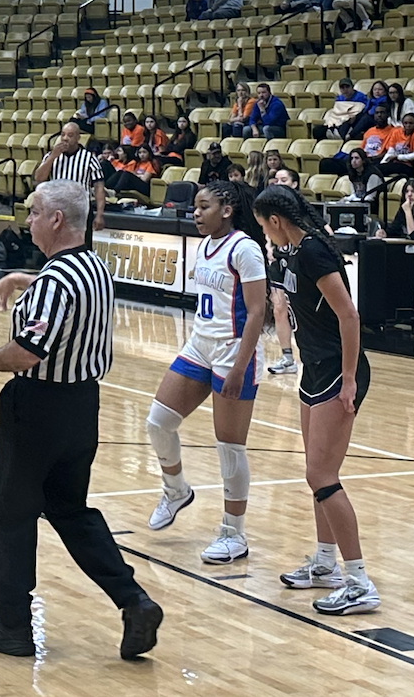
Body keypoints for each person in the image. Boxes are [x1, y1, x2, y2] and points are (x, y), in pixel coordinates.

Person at [0, 182, 162, 661]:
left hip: (38, 408)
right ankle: (133, 599)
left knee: (11, 513)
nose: (27, 220)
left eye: (33, 213)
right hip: (82, 408)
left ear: (55, 219)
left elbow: (29, 351)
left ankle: (12, 625)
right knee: (70, 510)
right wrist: (19, 278)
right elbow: (64, 293)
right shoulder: (94, 268)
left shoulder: (56, 281)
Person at [253, 185, 380, 615]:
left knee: (323, 475)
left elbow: (349, 315)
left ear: (274, 220)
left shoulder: (312, 253)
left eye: (262, 226)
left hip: (338, 370)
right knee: (315, 473)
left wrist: (348, 380)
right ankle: (325, 563)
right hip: (315, 367)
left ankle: (360, 581)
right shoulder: (289, 254)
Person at [143, 181, 268, 564]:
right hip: (200, 345)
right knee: (158, 422)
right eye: (195, 207)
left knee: (229, 447)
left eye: (203, 206)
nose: (195, 213)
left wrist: (240, 366)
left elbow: (257, 312)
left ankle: (234, 534)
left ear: (226, 209)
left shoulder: (245, 248)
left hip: (234, 350)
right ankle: (176, 489)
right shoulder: (205, 245)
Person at [34, 122, 107, 238]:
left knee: (81, 246)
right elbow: (39, 178)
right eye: (63, 135)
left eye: (70, 135)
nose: (65, 138)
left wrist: (99, 214)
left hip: (80, 212)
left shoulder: (89, 158)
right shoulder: (51, 156)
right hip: (56, 209)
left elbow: (99, 188)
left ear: (78, 138)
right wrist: (53, 157)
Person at [264, 168, 302, 376]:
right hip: (279, 262)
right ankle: (287, 358)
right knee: (278, 308)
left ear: (295, 184)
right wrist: (269, 246)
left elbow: (325, 231)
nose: (279, 182)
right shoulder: (270, 207)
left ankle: (309, 354)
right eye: (276, 179)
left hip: (299, 263)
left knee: (300, 311)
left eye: (284, 179)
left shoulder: (301, 207)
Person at [377, 113, 414, 177]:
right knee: (376, 168)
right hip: (395, 162)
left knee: (379, 170)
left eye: (411, 123)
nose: (408, 125)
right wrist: (383, 163)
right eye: (405, 123)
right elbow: (391, 151)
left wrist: (398, 157)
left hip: (409, 166)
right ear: (402, 123)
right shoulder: (396, 132)